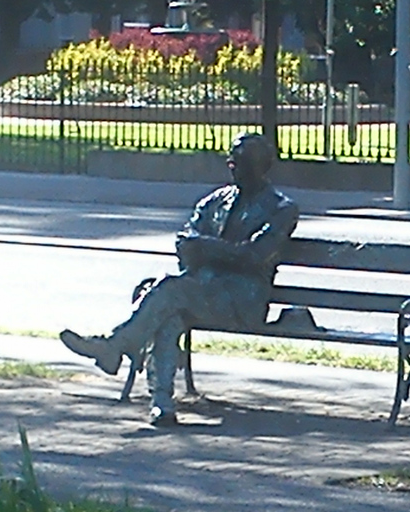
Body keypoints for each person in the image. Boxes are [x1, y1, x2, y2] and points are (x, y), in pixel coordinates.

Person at [60, 133, 299, 426]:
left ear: (263, 166)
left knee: (169, 291)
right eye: (232, 160)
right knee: (169, 313)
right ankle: (162, 404)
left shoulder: (281, 208)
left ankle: (115, 346)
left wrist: (209, 249)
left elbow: (254, 255)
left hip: (241, 300)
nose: (233, 166)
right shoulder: (215, 201)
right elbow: (186, 242)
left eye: (243, 161)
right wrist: (207, 251)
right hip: (199, 290)